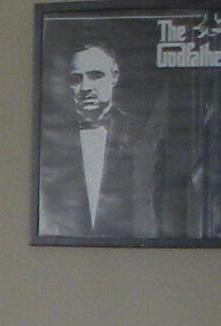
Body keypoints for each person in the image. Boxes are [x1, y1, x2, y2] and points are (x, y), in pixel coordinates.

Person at [38, 37, 175, 239]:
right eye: (76, 79)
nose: (85, 87)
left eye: (95, 75)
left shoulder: (143, 134)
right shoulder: (51, 140)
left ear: (114, 76)